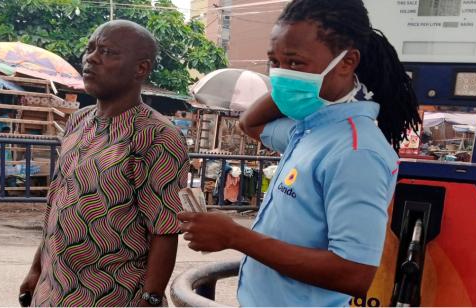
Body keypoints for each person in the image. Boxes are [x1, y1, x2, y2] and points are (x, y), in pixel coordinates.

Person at [177, 0, 421, 306]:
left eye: (295, 63)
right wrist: (288, 88)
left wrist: (236, 237)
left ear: (347, 63)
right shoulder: (308, 130)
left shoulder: (357, 151)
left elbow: (355, 273)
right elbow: (249, 123)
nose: (279, 73)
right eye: (274, 62)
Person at [19, 20, 190, 307]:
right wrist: (36, 271)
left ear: (141, 69)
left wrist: (150, 298)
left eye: (108, 52)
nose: (91, 58)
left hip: (112, 298)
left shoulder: (157, 135)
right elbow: (58, 207)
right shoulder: (78, 121)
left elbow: (164, 229)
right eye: (90, 49)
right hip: (52, 294)